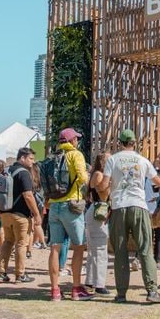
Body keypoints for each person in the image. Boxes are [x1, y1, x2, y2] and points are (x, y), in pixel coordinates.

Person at [104, 130, 160, 304]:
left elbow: (104, 184)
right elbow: (158, 182)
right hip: (139, 206)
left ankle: (121, 294)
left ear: (120, 143)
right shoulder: (143, 160)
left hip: (119, 206)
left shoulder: (112, 159)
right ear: (134, 143)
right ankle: (152, 291)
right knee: (145, 249)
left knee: (120, 251)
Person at [47, 128, 91, 301]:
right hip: (71, 205)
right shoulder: (76, 155)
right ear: (72, 140)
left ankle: (55, 290)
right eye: (76, 139)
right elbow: (83, 178)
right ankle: (76, 288)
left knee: (55, 248)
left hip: (54, 205)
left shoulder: (53, 156)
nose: (77, 142)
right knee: (79, 246)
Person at [0, 148, 40, 284]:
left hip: (5, 212)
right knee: (21, 244)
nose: (33, 162)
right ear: (22, 158)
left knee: (7, 242)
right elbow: (28, 195)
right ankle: (20, 274)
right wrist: (37, 214)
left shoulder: (6, 170)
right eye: (30, 159)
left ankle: (1, 272)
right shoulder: (24, 173)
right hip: (20, 214)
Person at [84, 152, 110, 296]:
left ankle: (90, 280)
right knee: (100, 250)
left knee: (94, 250)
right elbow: (103, 193)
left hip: (95, 212)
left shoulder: (96, 174)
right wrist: (112, 183)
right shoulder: (100, 175)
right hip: (98, 212)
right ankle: (99, 284)